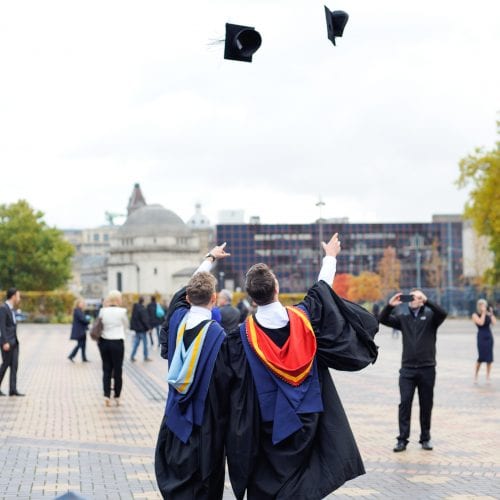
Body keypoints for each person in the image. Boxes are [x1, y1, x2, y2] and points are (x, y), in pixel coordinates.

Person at [225, 233, 379, 500]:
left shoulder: (240, 338)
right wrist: (330, 257)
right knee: (307, 477)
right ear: (277, 289)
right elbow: (322, 292)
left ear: (251, 298)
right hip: (310, 413)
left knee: (268, 479)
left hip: (267, 421)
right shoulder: (304, 318)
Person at [155, 243, 231, 500]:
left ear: (187, 298)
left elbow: (178, 296)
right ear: (215, 299)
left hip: (175, 415)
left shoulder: (177, 320)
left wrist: (208, 259)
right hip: (205, 422)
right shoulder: (219, 336)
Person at [378, 290, 447, 452]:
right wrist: (390, 305)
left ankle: (425, 438)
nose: (413, 299)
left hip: (427, 369)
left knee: (426, 404)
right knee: (405, 403)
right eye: (411, 297)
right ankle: (402, 439)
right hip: (407, 370)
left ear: (422, 300)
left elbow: (443, 313)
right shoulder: (404, 318)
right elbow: (382, 319)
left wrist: (427, 300)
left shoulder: (431, 317)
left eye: (416, 297)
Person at [98, 290, 129, 407]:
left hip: (104, 341)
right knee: (117, 369)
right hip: (117, 342)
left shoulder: (102, 311)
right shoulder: (122, 311)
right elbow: (126, 325)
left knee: (106, 369)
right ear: (117, 299)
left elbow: (100, 325)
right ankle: (117, 396)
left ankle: (106, 395)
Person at [0, 288, 24, 397]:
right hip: (7, 343)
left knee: (14, 366)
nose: (19, 298)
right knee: (5, 365)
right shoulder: (3, 308)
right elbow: (2, 327)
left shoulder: (12, 309)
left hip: (14, 342)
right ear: (13, 296)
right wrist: (5, 342)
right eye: (18, 296)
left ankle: (13, 390)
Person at [472, 299, 496, 383]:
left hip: (489, 336)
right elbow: (481, 323)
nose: (483, 307)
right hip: (481, 336)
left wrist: (491, 313)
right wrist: (483, 313)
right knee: (481, 357)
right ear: (478, 306)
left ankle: (488, 376)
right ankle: (476, 375)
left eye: (484, 305)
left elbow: (494, 322)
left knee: (489, 358)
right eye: (481, 305)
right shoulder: (475, 315)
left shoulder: (488, 314)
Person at [68, 298, 91, 363]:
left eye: (83, 303)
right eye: (81, 303)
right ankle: (71, 355)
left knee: (83, 345)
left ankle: (84, 358)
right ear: (77, 304)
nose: (82, 304)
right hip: (79, 331)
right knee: (80, 344)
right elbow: (83, 320)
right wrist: (88, 320)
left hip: (82, 331)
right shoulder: (77, 310)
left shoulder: (80, 310)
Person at [130, 296, 152, 362]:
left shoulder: (135, 308)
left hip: (137, 329)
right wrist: (149, 327)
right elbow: (144, 319)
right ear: (143, 301)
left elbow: (133, 318)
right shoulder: (142, 309)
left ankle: (132, 356)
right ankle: (145, 357)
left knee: (136, 343)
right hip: (142, 329)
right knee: (145, 343)